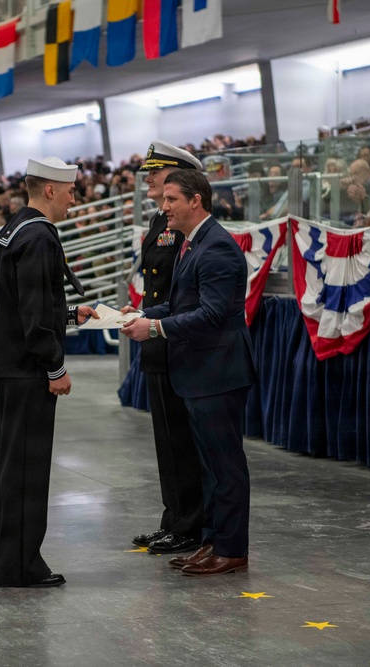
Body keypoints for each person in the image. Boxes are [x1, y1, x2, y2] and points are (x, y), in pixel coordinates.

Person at [121, 169, 257, 576]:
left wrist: (156, 328)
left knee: (225, 467)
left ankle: (231, 549)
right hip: (201, 371)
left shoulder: (215, 247)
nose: (164, 208)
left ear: (196, 200)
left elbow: (213, 315)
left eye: (171, 200)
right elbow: (184, 305)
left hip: (217, 370)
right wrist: (144, 313)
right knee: (210, 469)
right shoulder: (194, 243)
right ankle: (212, 541)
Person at [0, 156, 97, 588]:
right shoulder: (40, 237)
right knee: (27, 470)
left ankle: (7, 560)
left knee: (9, 468)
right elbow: (32, 314)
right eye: (69, 190)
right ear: (50, 190)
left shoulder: (17, 228)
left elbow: (23, 304)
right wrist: (56, 367)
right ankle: (21, 566)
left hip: (7, 365)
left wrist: (69, 313)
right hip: (28, 369)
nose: (74, 197)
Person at [128, 140, 206, 556]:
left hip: (174, 339)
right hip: (156, 336)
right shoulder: (162, 221)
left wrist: (155, 321)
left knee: (181, 441)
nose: (151, 179)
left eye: (158, 173)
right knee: (166, 441)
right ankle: (173, 518)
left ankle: (190, 525)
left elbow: (186, 295)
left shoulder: (187, 225)